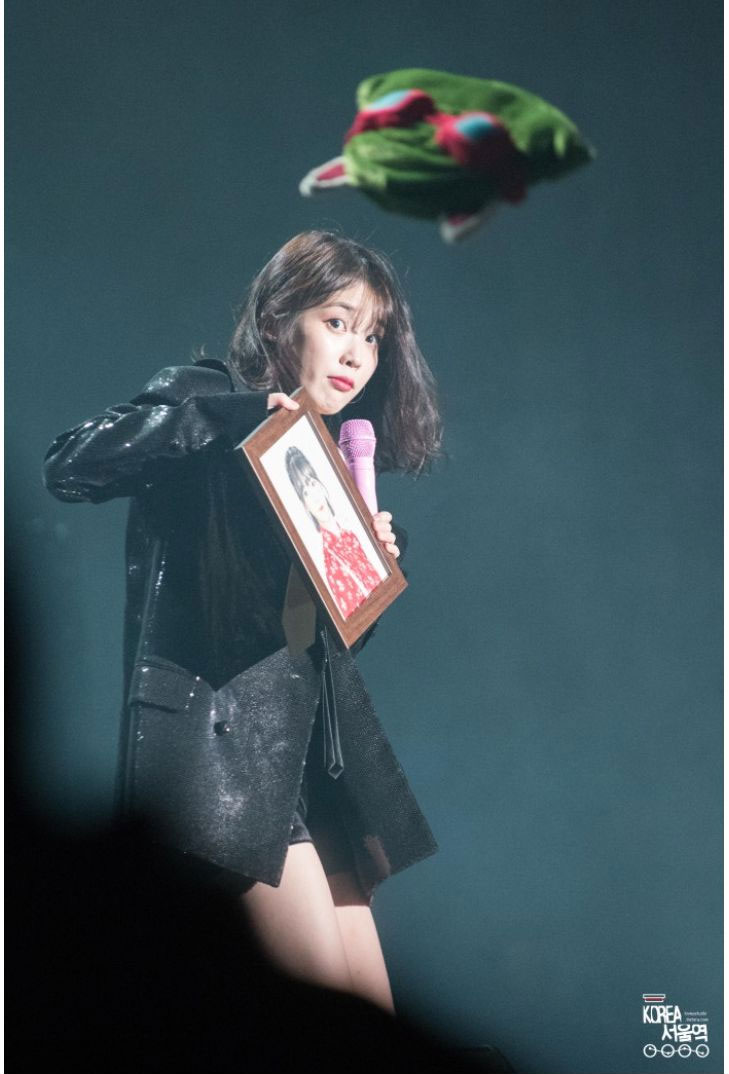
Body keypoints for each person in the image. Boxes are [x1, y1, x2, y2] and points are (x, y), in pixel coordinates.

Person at [43, 229, 443, 1015]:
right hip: (220, 751)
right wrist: (235, 416)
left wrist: (363, 571)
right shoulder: (208, 397)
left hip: (303, 764)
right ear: (275, 321)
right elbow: (71, 465)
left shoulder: (324, 465)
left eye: (372, 335)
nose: (355, 353)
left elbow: (317, 643)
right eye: (336, 322)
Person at [284, 445, 382, 618]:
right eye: (305, 493)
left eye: (312, 483)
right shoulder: (329, 559)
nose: (313, 497)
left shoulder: (351, 535)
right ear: (304, 505)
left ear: (321, 485)